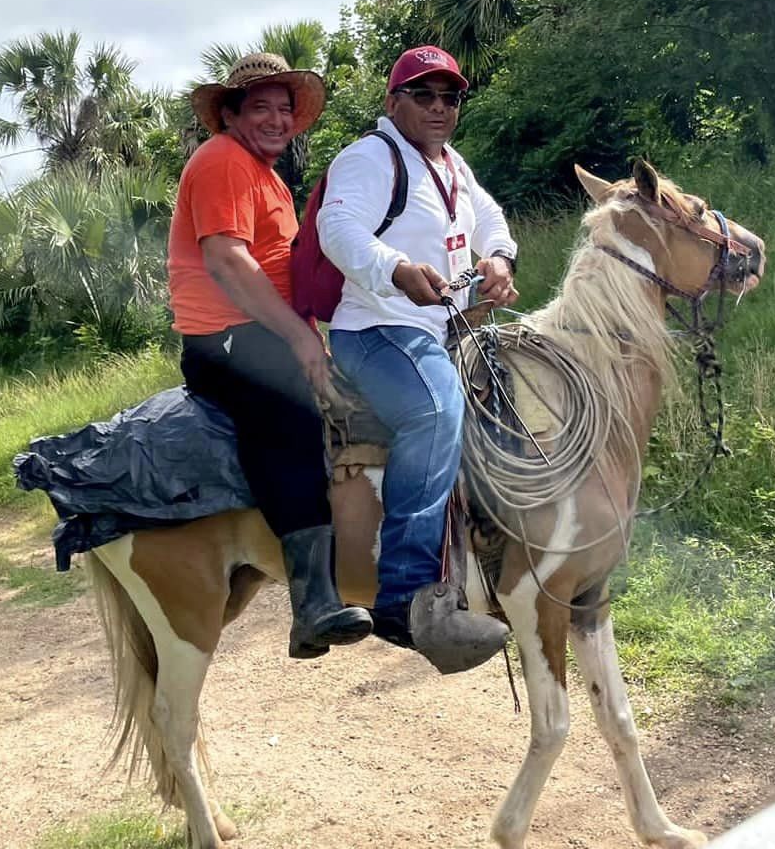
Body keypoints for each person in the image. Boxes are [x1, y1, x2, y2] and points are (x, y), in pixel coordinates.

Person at [316, 45, 518, 672]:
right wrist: (395, 268)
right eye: (423, 95)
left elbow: (487, 217)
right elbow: (337, 227)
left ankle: (508, 561)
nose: (438, 107)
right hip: (379, 329)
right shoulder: (370, 159)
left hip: (438, 327)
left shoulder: (451, 164)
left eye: (450, 97)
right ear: (392, 101)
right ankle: (404, 597)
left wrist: (499, 259)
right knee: (434, 411)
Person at [171, 52, 372, 659]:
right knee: (290, 419)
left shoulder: (268, 176)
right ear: (229, 113)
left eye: (285, 109)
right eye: (260, 106)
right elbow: (229, 262)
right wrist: (299, 338)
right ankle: (312, 602)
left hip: (264, 329)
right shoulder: (222, 162)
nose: (277, 119)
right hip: (228, 337)